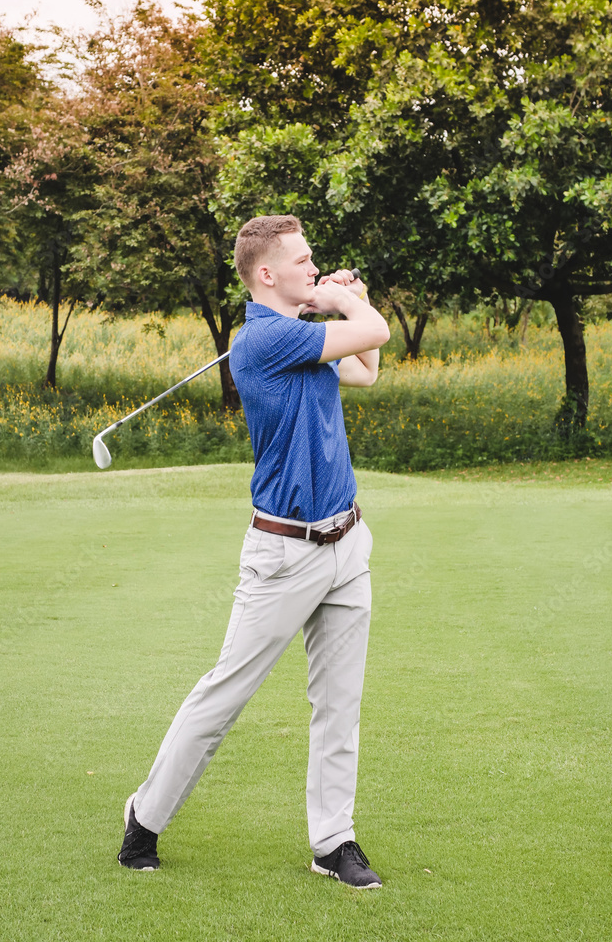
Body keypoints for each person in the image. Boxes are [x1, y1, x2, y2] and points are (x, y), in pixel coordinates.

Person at [117, 214, 390, 888]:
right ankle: (145, 817)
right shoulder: (264, 340)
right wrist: (345, 301)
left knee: (339, 703)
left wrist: (342, 302)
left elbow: (366, 369)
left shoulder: (297, 334)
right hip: (282, 554)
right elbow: (375, 330)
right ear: (265, 273)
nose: (312, 267)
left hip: (346, 541)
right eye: (302, 261)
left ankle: (333, 841)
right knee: (225, 694)